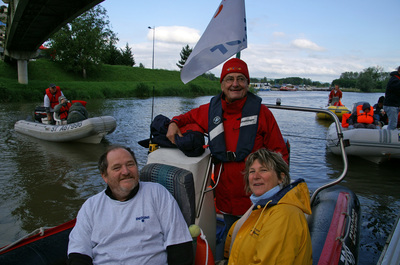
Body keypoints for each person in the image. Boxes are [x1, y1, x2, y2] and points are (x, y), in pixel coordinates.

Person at [166, 58, 288, 235]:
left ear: (247, 83)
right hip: (225, 197)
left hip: (257, 198)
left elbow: (280, 154)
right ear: (222, 84)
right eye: (230, 79)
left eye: (241, 79)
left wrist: (277, 191)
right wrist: (174, 123)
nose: (235, 84)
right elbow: (187, 118)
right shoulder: (210, 111)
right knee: (231, 240)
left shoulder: (263, 114)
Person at [67, 146, 193, 265]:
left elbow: (180, 244)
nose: (126, 171)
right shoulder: (91, 206)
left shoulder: (157, 193)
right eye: (117, 168)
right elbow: (79, 252)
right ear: (104, 176)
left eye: (130, 164)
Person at [222, 148, 312, 265]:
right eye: (252, 171)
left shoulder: (284, 216)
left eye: (263, 170)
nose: (256, 176)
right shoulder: (260, 207)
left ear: (281, 178)